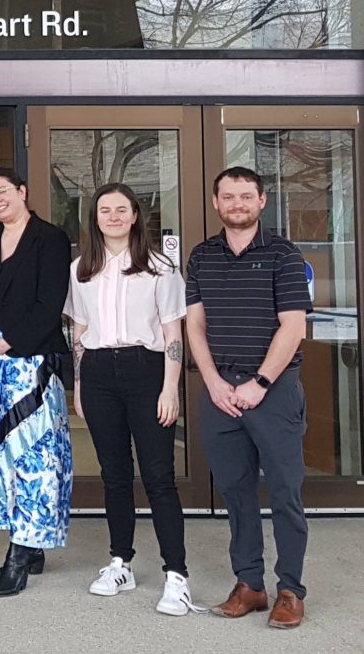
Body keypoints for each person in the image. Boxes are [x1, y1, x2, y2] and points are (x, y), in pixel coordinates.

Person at [185, 166, 311, 629]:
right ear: (216, 203)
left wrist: (258, 382)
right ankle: (250, 585)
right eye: (227, 196)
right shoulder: (202, 256)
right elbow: (194, 325)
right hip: (220, 394)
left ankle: (290, 591)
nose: (236, 203)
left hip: (272, 392)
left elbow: (293, 326)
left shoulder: (283, 254)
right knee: (236, 493)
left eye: (245, 196)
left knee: (284, 493)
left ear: (261, 201)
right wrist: (214, 382)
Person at [65, 183, 197, 615]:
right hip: (100, 374)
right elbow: (79, 334)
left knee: (159, 475)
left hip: (148, 371)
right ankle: (120, 561)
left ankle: (176, 575)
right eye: (105, 210)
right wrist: (81, 386)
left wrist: (170, 389)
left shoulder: (159, 267)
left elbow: (173, 333)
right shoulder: (81, 268)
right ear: (95, 217)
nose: (114, 216)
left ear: (136, 216)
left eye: (122, 209)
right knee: (114, 474)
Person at [0, 167, 73, 598]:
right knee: (0, 456)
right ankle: (28, 542)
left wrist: (7, 341)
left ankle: (20, 556)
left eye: (2, 191)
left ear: (23, 191)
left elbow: (49, 303)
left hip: (27, 363)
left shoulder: (50, 238)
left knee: (32, 457)